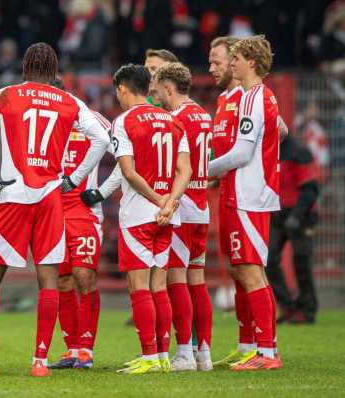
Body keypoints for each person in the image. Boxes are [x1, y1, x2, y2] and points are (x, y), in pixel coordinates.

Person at [0, 42, 111, 378]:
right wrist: (73, 179)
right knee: (49, 280)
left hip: (12, 195)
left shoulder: (7, 94)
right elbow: (101, 138)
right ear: (54, 69)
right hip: (50, 198)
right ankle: (40, 361)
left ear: (25, 66)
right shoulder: (69, 101)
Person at [104, 64, 191, 375]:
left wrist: (156, 201)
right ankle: (164, 356)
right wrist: (170, 203)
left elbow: (128, 172)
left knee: (138, 286)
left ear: (124, 90)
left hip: (140, 213)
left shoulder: (123, 122)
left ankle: (150, 357)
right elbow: (186, 171)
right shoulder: (172, 120)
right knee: (159, 286)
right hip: (169, 215)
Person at [208, 35, 282, 371]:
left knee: (252, 272)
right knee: (245, 271)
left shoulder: (255, 98)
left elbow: (242, 152)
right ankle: (258, 347)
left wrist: (201, 169)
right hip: (243, 193)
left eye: (236, 58)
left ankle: (267, 352)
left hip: (250, 195)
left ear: (251, 62)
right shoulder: (253, 97)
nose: (231, 63)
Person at [152, 62, 213, 371]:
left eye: (158, 88)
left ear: (169, 88)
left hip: (182, 207)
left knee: (176, 278)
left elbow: (179, 168)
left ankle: (184, 354)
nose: (156, 95)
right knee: (197, 279)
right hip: (202, 207)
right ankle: (204, 353)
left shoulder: (175, 120)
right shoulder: (204, 115)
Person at [47, 77, 112, 370]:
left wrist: (101, 192)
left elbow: (127, 156)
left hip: (85, 213)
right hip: (52, 213)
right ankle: (71, 348)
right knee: (62, 280)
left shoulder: (92, 120)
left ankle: (86, 349)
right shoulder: (42, 123)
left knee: (84, 276)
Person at [266, 134, 319, 324]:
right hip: (279, 213)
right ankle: (287, 306)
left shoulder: (299, 151)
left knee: (302, 263)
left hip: (301, 215)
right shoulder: (271, 149)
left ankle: (307, 310)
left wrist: (297, 216)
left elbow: (311, 188)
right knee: (269, 259)